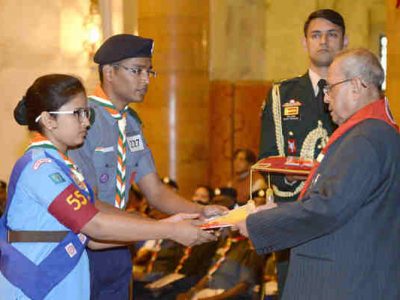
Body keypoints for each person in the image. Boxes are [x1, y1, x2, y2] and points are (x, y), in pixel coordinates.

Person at [0, 74, 216, 299]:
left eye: (87, 112)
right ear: (48, 120)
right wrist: (170, 230)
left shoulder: (64, 166)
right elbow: (95, 226)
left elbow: (92, 239)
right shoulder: (40, 168)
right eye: (78, 114)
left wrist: (169, 224)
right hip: (34, 288)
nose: (87, 122)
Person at [68, 34, 226, 299]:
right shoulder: (83, 120)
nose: (145, 80)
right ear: (109, 72)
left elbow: (155, 192)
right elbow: (89, 200)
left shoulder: (131, 123)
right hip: (84, 245)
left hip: (119, 244)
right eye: (137, 70)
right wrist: (160, 228)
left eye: (149, 71)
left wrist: (201, 212)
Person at [236, 48, 400, 299]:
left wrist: (258, 224)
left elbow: (328, 208)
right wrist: (277, 211)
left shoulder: (366, 138)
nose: (325, 99)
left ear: (356, 86)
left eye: (330, 88)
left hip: (344, 285)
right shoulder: (368, 132)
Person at [258, 9, 348, 294]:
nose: (324, 42)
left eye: (332, 35)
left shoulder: (358, 93)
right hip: (293, 212)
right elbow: (268, 156)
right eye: (316, 35)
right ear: (305, 42)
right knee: (294, 289)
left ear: (344, 41)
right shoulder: (280, 95)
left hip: (343, 213)